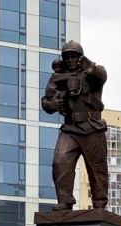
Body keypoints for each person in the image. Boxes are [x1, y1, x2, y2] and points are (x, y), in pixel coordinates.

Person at [41, 40, 108, 211]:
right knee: (60, 162)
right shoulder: (58, 77)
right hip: (70, 129)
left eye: (74, 56)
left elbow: (101, 76)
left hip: (92, 127)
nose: (71, 60)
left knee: (97, 167)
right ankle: (65, 200)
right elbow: (47, 101)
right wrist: (53, 105)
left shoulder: (91, 74)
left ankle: (99, 203)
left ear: (80, 58)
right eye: (67, 57)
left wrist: (90, 66)